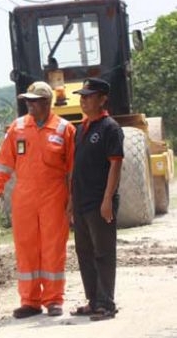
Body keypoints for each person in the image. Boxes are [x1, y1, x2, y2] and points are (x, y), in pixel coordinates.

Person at [0, 81, 76, 318]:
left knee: (52, 248)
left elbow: (72, 169)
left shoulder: (64, 129)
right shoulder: (17, 128)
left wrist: (72, 199)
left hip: (54, 196)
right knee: (26, 248)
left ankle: (53, 300)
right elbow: (5, 162)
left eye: (34, 101)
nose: (29, 104)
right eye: (27, 100)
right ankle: (29, 301)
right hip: (25, 197)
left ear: (47, 103)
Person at [69, 77, 123, 321]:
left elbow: (115, 165)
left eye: (89, 96)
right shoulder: (81, 129)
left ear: (102, 99)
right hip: (81, 202)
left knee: (103, 253)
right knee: (85, 252)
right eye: (82, 96)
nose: (83, 100)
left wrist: (107, 200)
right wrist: (71, 201)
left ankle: (106, 304)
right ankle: (93, 300)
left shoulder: (110, 128)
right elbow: (75, 168)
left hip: (99, 201)